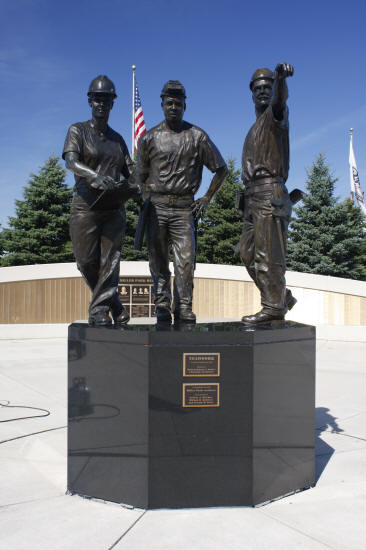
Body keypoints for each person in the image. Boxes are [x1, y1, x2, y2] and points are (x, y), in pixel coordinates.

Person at [135, 80, 228, 323]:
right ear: (162, 105)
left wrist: (207, 197)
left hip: (184, 208)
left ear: (185, 105)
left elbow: (221, 169)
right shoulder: (149, 138)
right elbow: (139, 177)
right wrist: (145, 200)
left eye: (178, 103)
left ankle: (184, 305)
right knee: (158, 261)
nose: (174, 107)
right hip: (156, 207)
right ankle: (163, 305)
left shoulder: (197, 136)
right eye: (169, 103)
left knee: (185, 262)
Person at [63, 75, 139, 326]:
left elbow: (131, 172)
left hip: (114, 208)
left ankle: (98, 312)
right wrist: (96, 176)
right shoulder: (78, 130)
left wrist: (140, 187)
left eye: (106, 100)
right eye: (97, 99)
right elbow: (71, 162)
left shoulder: (118, 140)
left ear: (113, 103)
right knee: (86, 261)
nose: (101, 104)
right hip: (86, 206)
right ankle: (115, 304)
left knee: (110, 262)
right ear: (90, 101)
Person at [239, 63, 296, 325]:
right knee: (247, 253)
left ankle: (273, 306)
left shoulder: (276, 116)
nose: (263, 92)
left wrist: (281, 79)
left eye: (267, 87)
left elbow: (280, 101)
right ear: (251, 94)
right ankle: (281, 295)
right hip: (253, 198)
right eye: (258, 88)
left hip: (269, 193)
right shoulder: (255, 127)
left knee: (267, 256)